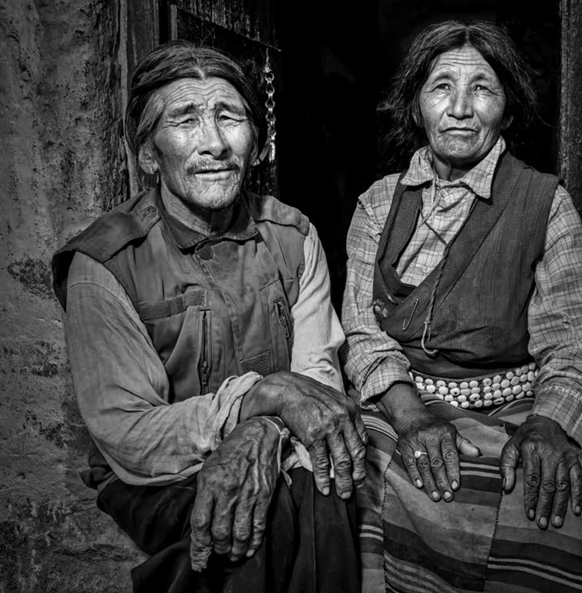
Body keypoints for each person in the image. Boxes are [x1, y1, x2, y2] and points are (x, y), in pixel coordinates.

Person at [51, 40, 366, 593]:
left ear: (258, 143)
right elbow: (129, 432)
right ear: (149, 153)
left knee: (323, 490)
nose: (214, 143)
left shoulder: (293, 236)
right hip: (159, 468)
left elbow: (315, 380)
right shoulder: (103, 264)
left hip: (279, 436)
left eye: (229, 117)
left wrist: (262, 426)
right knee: (247, 521)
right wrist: (256, 402)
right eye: (185, 120)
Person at [341, 19, 582, 592]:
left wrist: (549, 425)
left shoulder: (544, 203)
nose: (461, 108)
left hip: (511, 405)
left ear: (508, 112)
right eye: (442, 87)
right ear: (416, 107)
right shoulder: (377, 204)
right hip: (399, 403)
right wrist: (412, 415)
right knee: (349, 486)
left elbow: (576, 340)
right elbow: (363, 333)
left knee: (544, 504)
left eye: (483, 89)